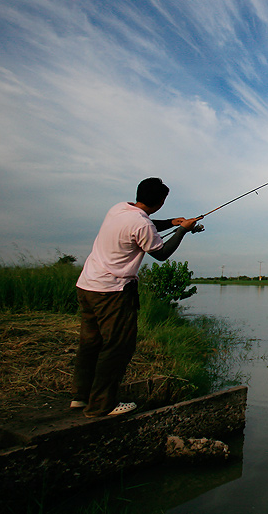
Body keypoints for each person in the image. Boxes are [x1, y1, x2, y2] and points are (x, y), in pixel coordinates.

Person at [72, 178, 203, 418]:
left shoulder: (119, 209)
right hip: (113, 292)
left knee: (90, 343)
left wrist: (172, 222)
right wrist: (182, 230)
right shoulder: (142, 225)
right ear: (161, 201)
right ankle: (102, 405)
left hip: (88, 286)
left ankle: (81, 397)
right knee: (117, 347)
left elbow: (145, 223)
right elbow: (161, 253)